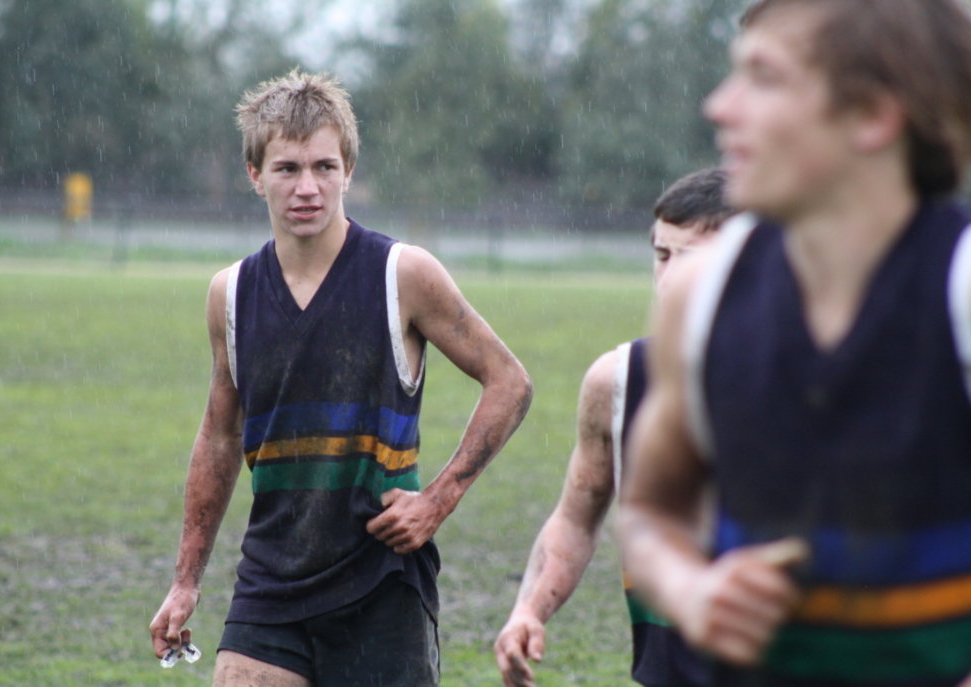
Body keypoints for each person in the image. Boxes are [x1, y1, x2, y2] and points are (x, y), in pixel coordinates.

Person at [618, 1, 971, 685]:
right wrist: (692, 588)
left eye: (763, 78)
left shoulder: (958, 292)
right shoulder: (703, 296)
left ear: (871, 114)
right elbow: (649, 511)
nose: (720, 107)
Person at [148, 69, 534, 687]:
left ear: (348, 170)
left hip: (381, 585)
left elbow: (510, 382)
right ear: (255, 175)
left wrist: (438, 499)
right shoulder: (230, 294)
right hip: (270, 584)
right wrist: (186, 581)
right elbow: (221, 436)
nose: (308, 188)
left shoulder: (402, 274)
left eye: (324, 168)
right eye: (287, 168)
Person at [494, 168, 735, 687]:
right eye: (661, 255)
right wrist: (529, 610)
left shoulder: (821, 380)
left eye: (692, 261)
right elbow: (576, 520)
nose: (668, 279)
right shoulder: (618, 381)